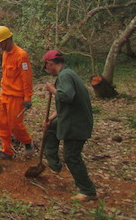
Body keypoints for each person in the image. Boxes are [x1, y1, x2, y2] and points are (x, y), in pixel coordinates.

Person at [42, 50, 97, 201]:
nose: (48, 70)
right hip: (73, 117)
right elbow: (66, 105)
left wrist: (53, 90)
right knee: (51, 127)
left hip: (77, 123)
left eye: (46, 67)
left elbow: (66, 97)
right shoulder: (68, 74)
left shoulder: (65, 76)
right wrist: (50, 119)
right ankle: (53, 163)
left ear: (50, 64)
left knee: (72, 156)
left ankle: (88, 191)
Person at [0, 25, 34, 159]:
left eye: (0, 43)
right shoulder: (5, 54)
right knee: (1, 123)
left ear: (7, 40)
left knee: (15, 125)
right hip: (4, 94)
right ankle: (6, 151)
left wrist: (28, 97)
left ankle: (28, 142)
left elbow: (26, 78)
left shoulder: (21, 56)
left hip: (16, 97)